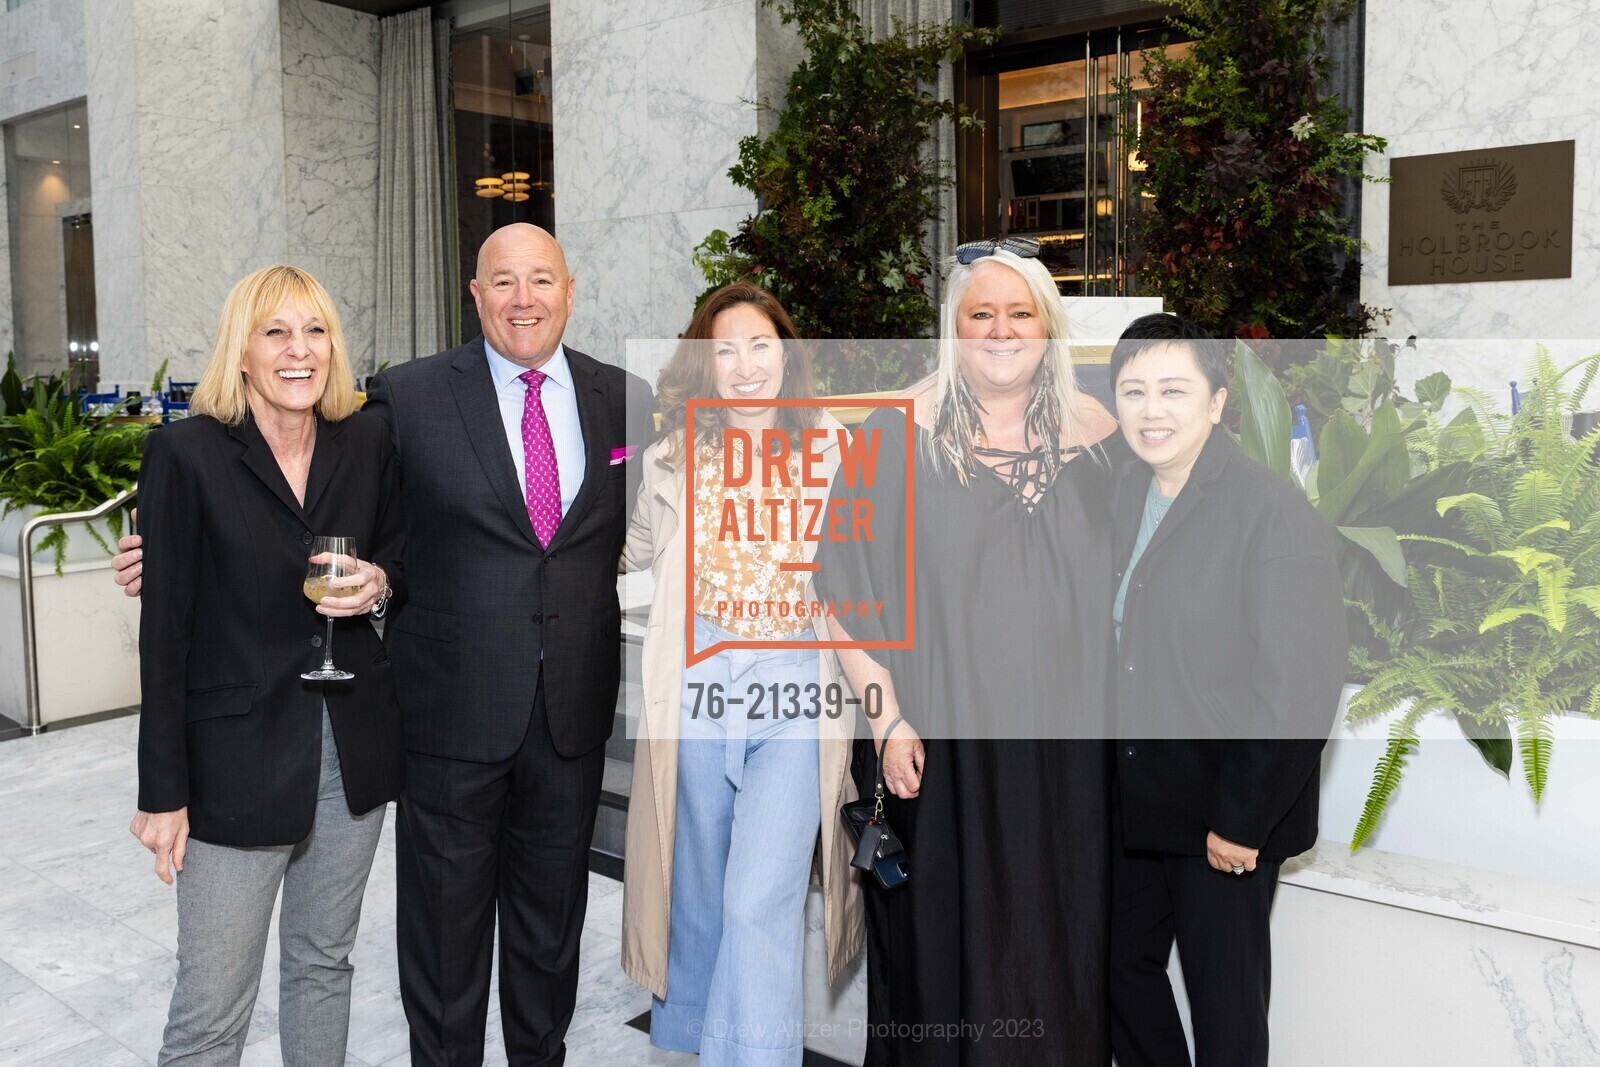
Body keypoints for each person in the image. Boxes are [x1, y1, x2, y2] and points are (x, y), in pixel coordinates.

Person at [114, 224, 656, 1065]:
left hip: (557, 719)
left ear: (570, 289)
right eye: (501, 280)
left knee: (513, 949)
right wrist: (162, 553)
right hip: (431, 725)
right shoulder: (405, 398)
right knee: (422, 962)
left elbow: (634, 523)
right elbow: (213, 595)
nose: (523, 298)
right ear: (472, 293)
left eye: (541, 280)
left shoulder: (622, 399)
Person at [817, 238, 1121, 1066]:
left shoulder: (1101, 436)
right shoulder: (893, 434)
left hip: (1070, 763)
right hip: (938, 755)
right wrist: (886, 722)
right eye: (980, 313)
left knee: (1063, 954)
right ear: (953, 329)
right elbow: (843, 595)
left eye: (1019, 312)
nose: (1000, 329)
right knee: (944, 955)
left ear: (1049, 326)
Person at [130, 264, 404, 1065]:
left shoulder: (366, 443)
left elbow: (400, 553)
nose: (299, 350)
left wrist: (381, 583)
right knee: (213, 1006)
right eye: (276, 331)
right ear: (241, 351)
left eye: (316, 330)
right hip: (233, 765)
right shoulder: (186, 454)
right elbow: (165, 633)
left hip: (350, 753)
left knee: (323, 966)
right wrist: (163, 792)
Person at [618, 283, 863, 1065]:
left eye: (760, 346)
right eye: (725, 350)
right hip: (697, 684)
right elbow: (625, 557)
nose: (745, 365)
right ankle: (689, 1038)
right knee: (694, 889)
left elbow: (868, 569)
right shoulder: (670, 454)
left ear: (786, 355)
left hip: (795, 687)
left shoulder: (834, 448)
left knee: (758, 897)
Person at [1104, 313, 1347, 1067]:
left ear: (1215, 401)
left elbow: (1302, 682)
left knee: (1227, 1006)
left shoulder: (1269, 511)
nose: (1152, 409)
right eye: (1134, 390)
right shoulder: (1120, 497)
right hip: (1142, 800)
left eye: (1173, 389)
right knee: (1114, 964)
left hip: (1225, 813)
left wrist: (1242, 820)